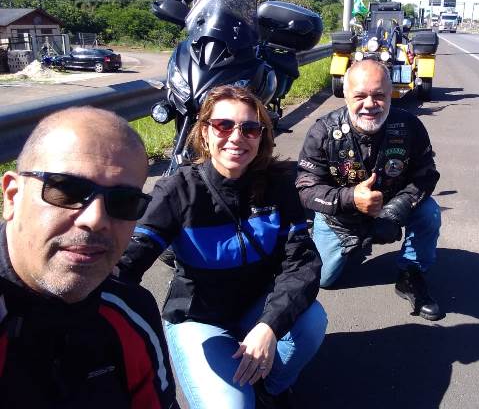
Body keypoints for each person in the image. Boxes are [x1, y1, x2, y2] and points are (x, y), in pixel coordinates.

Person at [117, 85, 327, 409]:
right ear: (204, 132)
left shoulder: (278, 185)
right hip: (200, 317)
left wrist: (269, 325)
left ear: (261, 136)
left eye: (250, 128)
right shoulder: (178, 191)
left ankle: (271, 389)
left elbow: (302, 264)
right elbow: (128, 261)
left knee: (312, 321)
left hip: (258, 307)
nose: (236, 137)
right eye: (223, 125)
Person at [0, 107, 177, 408]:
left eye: (124, 201)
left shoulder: (132, 312)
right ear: (12, 196)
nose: (95, 220)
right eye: (67, 190)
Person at [296, 59, 444, 321]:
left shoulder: (410, 126)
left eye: (379, 95)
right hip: (339, 216)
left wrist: (394, 211)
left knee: (429, 212)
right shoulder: (323, 131)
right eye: (360, 96)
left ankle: (411, 272)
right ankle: (353, 241)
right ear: (345, 95)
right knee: (325, 280)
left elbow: (426, 174)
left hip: (393, 205)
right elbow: (306, 187)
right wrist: (350, 199)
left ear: (390, 94)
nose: (370, 104)